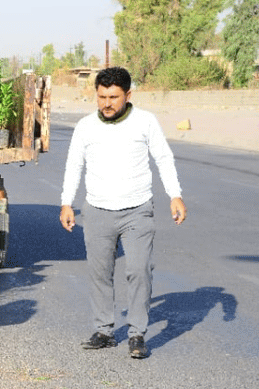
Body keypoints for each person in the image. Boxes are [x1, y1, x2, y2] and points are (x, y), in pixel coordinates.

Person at [59, 66, 186, 359]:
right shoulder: (86, 127)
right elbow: (74, 165)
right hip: (97, 210)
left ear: (128, 95)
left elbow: (163, 159)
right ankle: (104, 330)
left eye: (113, 97)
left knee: (139, 270)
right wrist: (66, 202)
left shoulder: (145, 122)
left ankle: (137, 334)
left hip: (137, 211)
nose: (106, 103)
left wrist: (175, 195)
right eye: (101, 96)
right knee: (100, 273)